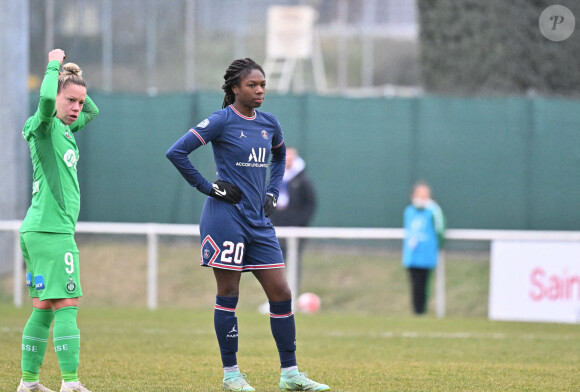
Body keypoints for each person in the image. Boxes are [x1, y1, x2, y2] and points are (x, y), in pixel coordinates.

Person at [166, 58, 329, 392]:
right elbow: (177, 152)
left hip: (259, 222)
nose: (260, 91)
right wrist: (208, 186)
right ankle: (231, 375)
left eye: (263, 85)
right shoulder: (221, 121)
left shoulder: (269, 123)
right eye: (252, 85)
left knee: (282, 293)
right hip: (225, 220)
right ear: (234, 88)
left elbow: (280, 157)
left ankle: (290, 375)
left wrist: (272, 189)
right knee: (229, 293)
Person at [17, 49, 99, 392]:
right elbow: (49, 97)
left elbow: (93, 110)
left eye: (78, 101)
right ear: (56, 100)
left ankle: (29, 383)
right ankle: (70, 383)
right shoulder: (46, 123)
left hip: (39, 230)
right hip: (51, 231)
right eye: (71, 101)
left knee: (44, 308)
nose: (77, 107)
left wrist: (73, 79)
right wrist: (54, 65)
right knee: (67, 303)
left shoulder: (65, 128)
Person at [269, 147, 317, 290]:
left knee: (294, 262)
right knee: (276, 263)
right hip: (277, 229)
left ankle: (292, 294)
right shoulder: (276, 178)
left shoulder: (302, 180)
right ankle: (275, 295)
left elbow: (310, 204)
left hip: (296, 230)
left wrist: (299, 222)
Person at [402, 181, 445, 315]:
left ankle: (422, 311)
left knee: (424, 285)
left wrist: (439, 245)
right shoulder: (409, 211)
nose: (421, 198)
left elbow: (440, 230)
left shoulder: (433, 211)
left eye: (424, 195)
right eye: (419, 195)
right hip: (412, 255)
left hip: (426, 255)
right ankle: (416, 311)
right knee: (415, 285)